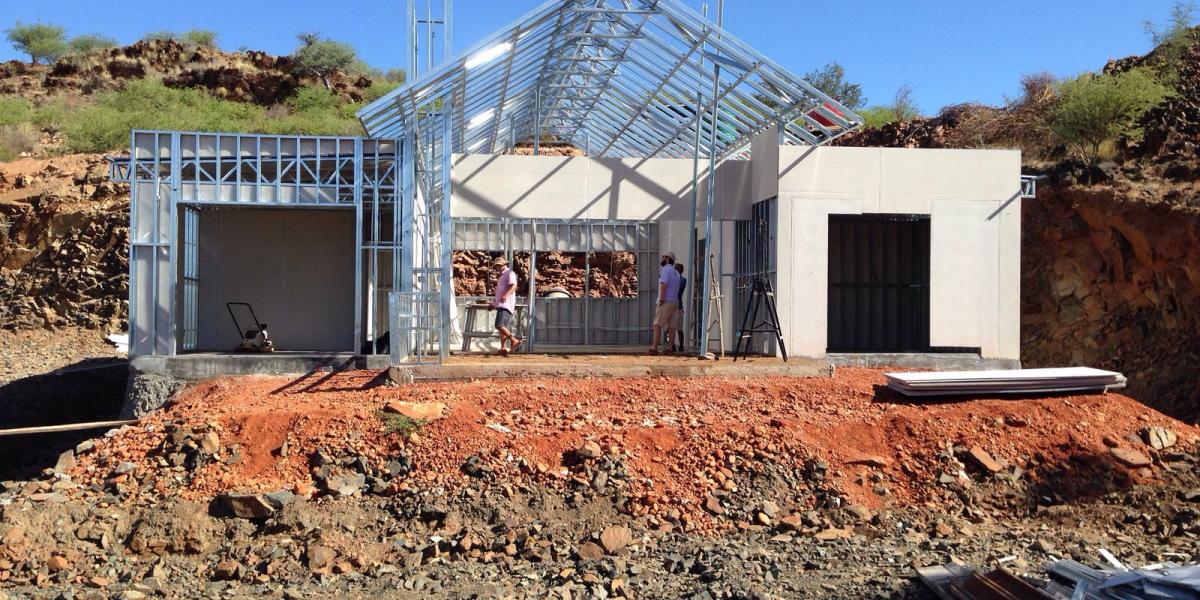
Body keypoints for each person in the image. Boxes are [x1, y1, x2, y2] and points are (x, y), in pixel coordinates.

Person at [648, 251, 681, 355]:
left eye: (663, 257)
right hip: (675, 302)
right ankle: (670, 348)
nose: (661, 259)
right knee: (671, 327)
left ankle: (654, 348)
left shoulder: (666, 270)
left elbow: (663, 285)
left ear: (667, 259)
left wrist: (661, 299)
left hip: (665, 301)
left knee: (657, 325)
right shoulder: (676, 273)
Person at [488, 256, 522, 356]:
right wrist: (493, 304)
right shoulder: (502, 276)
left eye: (499, 265)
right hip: (501, 305)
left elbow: (514, 285)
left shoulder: (509, 273)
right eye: (496, 266)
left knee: (499, 325)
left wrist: (506, 295)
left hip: (506, 305)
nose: (497, 268)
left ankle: (514, 340)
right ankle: (503, 348)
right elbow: (499, 294)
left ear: (504, 265)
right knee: (502, 327)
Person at [672, 262, 687, 352]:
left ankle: (681, 346)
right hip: (672, 305)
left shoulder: (683, 280)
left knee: (679, 327)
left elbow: (679, 287)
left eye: (676, 269)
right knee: (671, 327)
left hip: (678, 306)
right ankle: (672, 345)